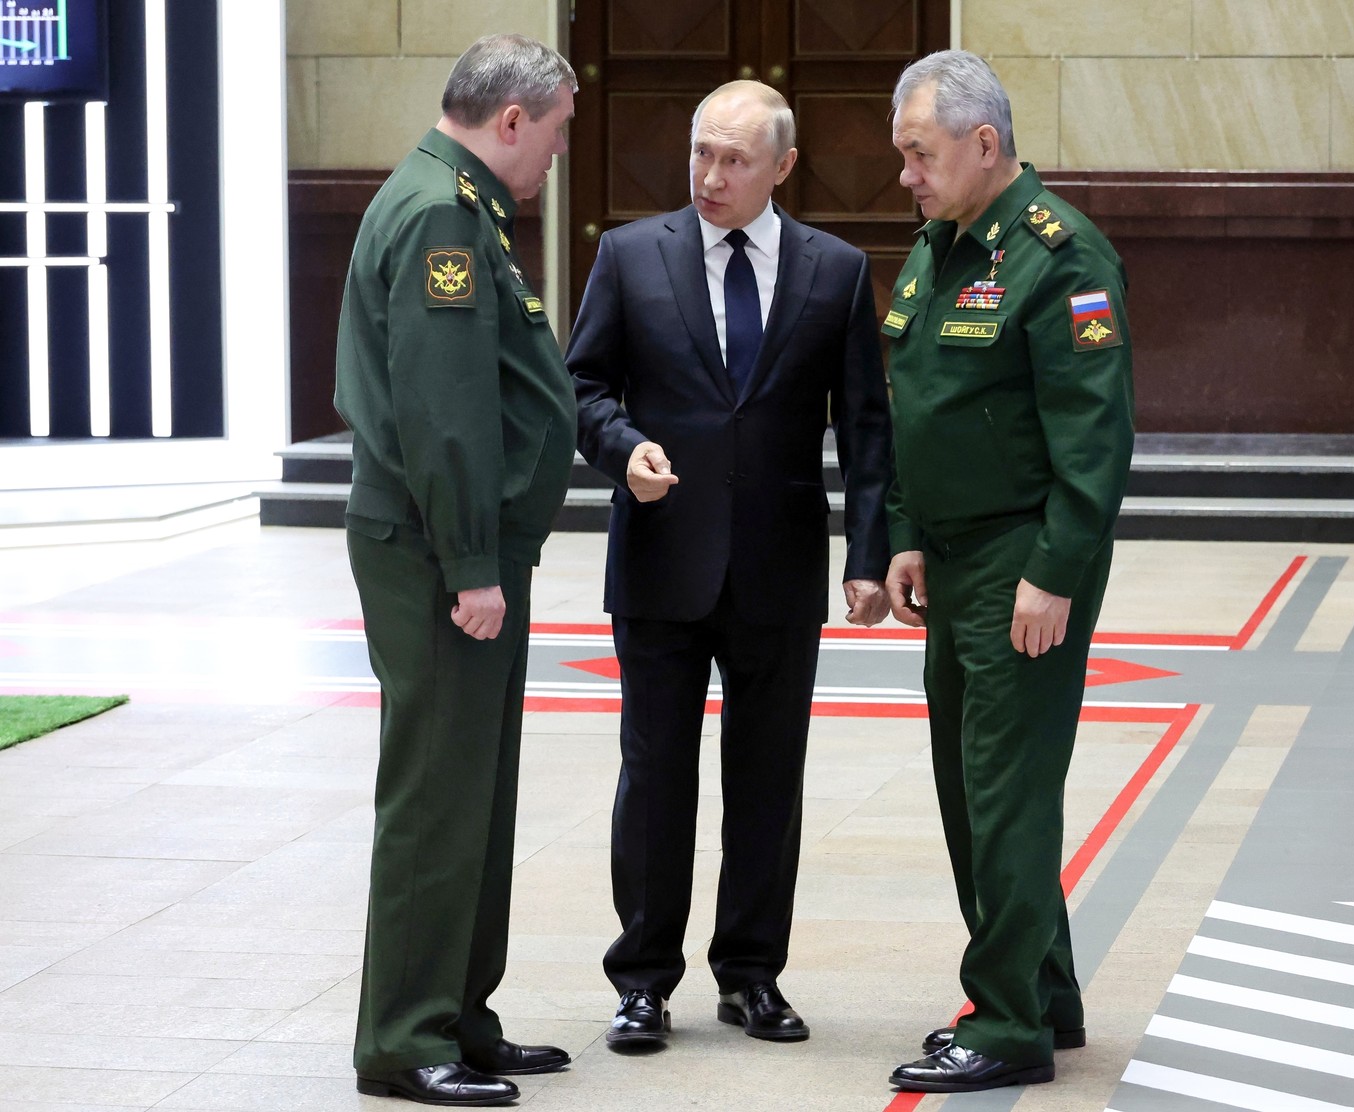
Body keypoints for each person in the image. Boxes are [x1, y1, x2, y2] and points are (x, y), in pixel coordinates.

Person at [566, 80, 892, 1051]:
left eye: (735, 159)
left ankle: (751, 972)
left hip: (778, 569)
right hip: (662, 560)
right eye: (702, 153)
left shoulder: (835, 272)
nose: (710, 175)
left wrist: (869, 554)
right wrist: (622, 446)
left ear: (783, 167)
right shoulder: (629, 256)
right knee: (655, 773)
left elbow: (868, 427)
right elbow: (582, 384)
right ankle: (642, 980)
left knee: (766, 778)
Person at [880, 51, 1135, 1094]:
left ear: (985, 145)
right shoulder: (938, 248)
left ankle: (1008, 1018)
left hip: (1020, 557)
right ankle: (1047, 988)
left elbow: (1095, 435)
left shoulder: (1061, 257)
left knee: (1004, 787)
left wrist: (1055, 570)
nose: (905, 175)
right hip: (950, 554)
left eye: (920, 153)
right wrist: (902, 530)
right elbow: (919, 404)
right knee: (974, 785)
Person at [333, 34, 579, 1108]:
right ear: (513, 121)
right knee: (437, 794)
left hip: (458, 546)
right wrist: (475, 560)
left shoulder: (461, 202)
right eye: (559, 133)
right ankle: (403, 1036)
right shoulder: (442, 212)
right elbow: (442, 411)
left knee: (473, 788)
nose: (558, 158)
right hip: (439, 553)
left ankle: (459, 1014)